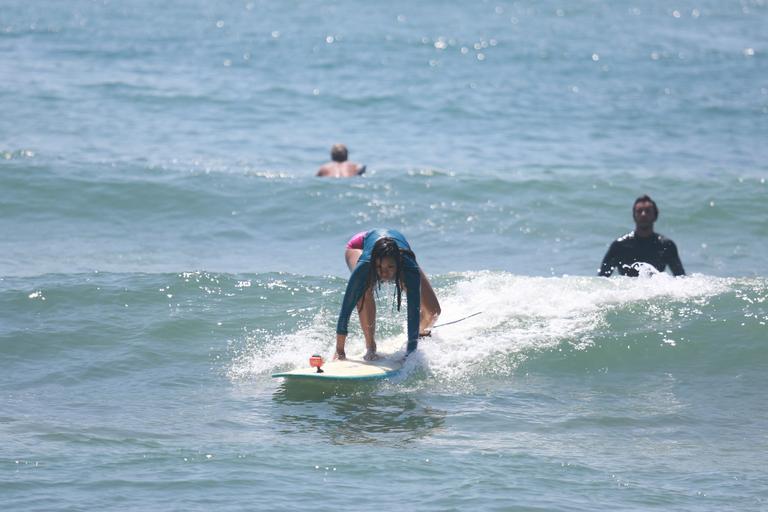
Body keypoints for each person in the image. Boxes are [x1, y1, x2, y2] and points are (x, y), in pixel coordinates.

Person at [336, 229, 440, 361]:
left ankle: (421, 334)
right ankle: (370, 347)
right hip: (359, 245)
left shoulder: (409, 268)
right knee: (363, 292)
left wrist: (410, 353)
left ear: (398, 264)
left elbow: (413, 310)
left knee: (433, 311)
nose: (384, 273)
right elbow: (346, 309)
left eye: (390, 267)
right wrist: (340, 351)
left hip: (395, 251)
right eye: (379, 267)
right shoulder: (365, 265)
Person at [598, 195, 685, 277]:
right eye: (639, 211)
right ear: (634, 216)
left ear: (655, 216)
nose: (643, 214)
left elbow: (681, 278)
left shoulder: (666, 245)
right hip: (628, 292)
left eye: (648, 211)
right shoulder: (619, 246)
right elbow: (602, 280)